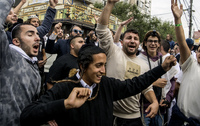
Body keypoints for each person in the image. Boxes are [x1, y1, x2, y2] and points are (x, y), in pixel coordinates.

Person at [20, 42, 176, 126]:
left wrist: (161, 69)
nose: (103, 70)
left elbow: (135, 84)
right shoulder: (64, 87)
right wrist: (65, 104)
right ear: (82, 66)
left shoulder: (107, 85)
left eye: (105, 65)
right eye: (98, 65)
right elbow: (27, 115)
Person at [96, 0, 158, 126]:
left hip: (132, 118)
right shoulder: (112, 51)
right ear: (122, 41)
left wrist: (154, 102)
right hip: (108, 114)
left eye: (135, 39)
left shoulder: (143, 63)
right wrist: (110, 4)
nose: (132, 41)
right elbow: (101, 29)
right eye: (129, 38)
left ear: (139, 43)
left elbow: (146, 87)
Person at [0, 0, 41, 125]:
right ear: (16, 41)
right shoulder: (8, 56)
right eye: (30, 34)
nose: (38, 38)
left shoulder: (34, 67)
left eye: (37, 34)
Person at [168, 0, 200, 125]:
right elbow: (182, 42)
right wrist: (177, 20)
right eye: (199, 51)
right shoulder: (191, 64)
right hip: (179, 120)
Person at [138, 30, 173, 126]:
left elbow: (172, 82)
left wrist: (167, 99)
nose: (153, 44)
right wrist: (153, 82)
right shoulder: (139, 59)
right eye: (150, 41)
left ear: (158, 44)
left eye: (155, 41)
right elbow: (135, 81)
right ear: (145, 43)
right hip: (144, 107)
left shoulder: (165, 60)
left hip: (161, 108)